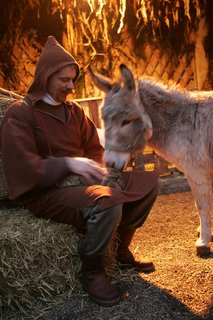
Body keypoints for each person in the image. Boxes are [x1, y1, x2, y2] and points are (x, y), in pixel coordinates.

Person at [0, 36, 159, 307]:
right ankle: (93, 271)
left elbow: (93, 148)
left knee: (148, 182)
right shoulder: (21, 114)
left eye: (73, 79)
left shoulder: (73, 111)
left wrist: (96, 169)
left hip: (81, 185)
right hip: (46, 192)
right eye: (64, 80)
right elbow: (22, 166)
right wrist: (69, 164)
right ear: (46, 76)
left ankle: (120, 251)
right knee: (108, 201)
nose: (71, 86)